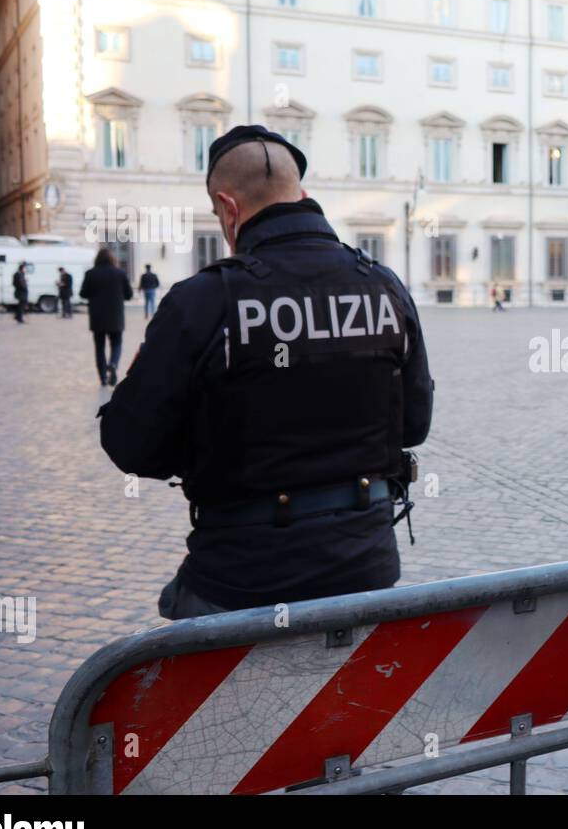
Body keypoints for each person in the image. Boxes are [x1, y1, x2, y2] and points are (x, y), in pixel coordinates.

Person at [97, 125, 434, 620]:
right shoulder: (384, 286)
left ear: (228, 209)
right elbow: (413, 425)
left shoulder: (202, 300)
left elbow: (130, 442)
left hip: (239, 579)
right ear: (303, 196)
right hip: (365, 570)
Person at [79, 249, 133, 385]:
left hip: (97, 318)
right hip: (116, 316)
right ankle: (113, 364)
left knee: (99, 348)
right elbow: (129, 295)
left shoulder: (90, 273)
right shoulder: (120, 273)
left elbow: (83, 294)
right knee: (117, 343)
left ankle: (103, 378)